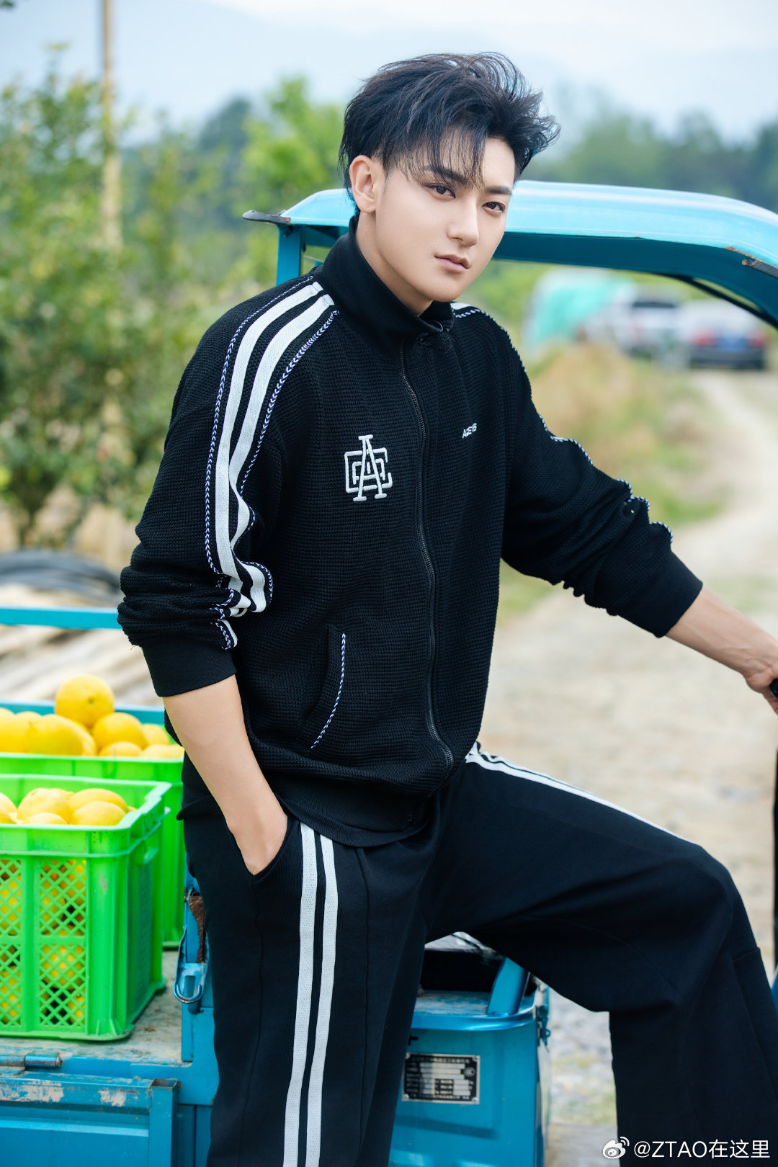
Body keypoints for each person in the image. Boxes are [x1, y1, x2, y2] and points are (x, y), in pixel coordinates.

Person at [118, 53, 778, 1166]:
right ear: (367, 180)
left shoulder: (474, 354)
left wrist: (761, 657)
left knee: (685, 910)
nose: (469, 227)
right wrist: (265, 836)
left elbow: (586, 531)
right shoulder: (268, 354)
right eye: (442, 189)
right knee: (309, 1147)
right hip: (307, 820)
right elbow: (176, 601)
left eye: (494, 204)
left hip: (437, 793)